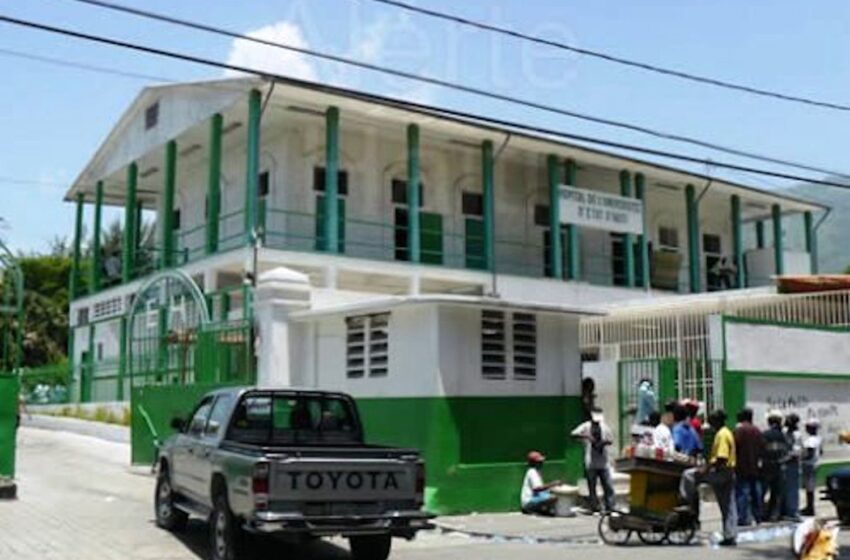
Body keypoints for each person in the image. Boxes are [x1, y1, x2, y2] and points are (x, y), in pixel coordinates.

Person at [680, 409, 738, 546]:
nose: (710, 424)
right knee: (728, 505)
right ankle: (731, 534)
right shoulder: (726, 432)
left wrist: (705, 469)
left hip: (721, 472)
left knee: (689, 475)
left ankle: (687, 502)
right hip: (728, 472)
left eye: (712, 420)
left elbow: (721, 458)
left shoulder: (722, 435)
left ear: (717, 420)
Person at [572, 409, 616, 513]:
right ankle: (594, 507)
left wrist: (604, 442)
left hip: (603, 462)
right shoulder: (586, 426)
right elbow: (573, 434)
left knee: (608, 486)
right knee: (592, 487)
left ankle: (610, 507)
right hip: (591, 462)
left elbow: (611, 440)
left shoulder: (604, 427)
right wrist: (586, 436)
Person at [734, 407, 764, 526]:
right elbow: (762, 447)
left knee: (742, 493)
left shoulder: (739, 431)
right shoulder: (757, 431)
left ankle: (743, 518)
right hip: (755, 466)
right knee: (756, 492)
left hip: (742, 466)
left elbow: (734, 448)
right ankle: (758, 516)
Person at [762, 410, 789, 522]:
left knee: (763, 491)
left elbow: (761, 450)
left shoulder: (765, 434)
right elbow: (786, 452)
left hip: (767, 466)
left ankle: (762, 513)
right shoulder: (783, 436)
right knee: (776, 492)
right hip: (779, 467)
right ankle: (774, 514)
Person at [520, 451, 561, 515]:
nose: (542, 463)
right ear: (535, 463)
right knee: (552, 497)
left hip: (534, 499)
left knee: (551, 493)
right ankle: (537, 510)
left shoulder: (535, 471)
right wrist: (553, 484)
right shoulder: (532, 472)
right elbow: (537, 488)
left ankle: (542, 510)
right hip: (528, 503)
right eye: (539, 462)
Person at [800, 418, 823, 517]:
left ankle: (810, 508)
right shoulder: (818, 438)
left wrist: (800, 458)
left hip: (809, 464)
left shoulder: (811, 440)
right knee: (810, 487)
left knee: (809, 487)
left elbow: (809, 453)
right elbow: (821, 452)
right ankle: (810, 507)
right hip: (814, 464)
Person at [784, 413, 803, 521]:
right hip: (786, 464)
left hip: (793, 465)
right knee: (786, 488)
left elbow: (796, 451)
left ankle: (793, 511)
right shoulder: (786, 433)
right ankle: (787, 510)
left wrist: (786, 458)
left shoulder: (797, 435)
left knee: (793, 489)